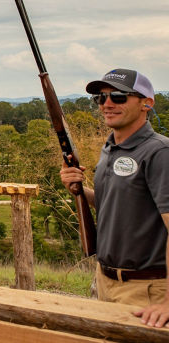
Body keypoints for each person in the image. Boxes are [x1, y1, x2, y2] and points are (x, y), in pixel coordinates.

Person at [60, 68, 169, 327]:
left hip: (146, 289)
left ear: (147, 103)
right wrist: (78, 189)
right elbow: (118, 204)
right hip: (106, 281)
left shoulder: (159, 152)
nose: (107, 104)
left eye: (119, 96)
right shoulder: (111, 148)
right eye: (101, 97)